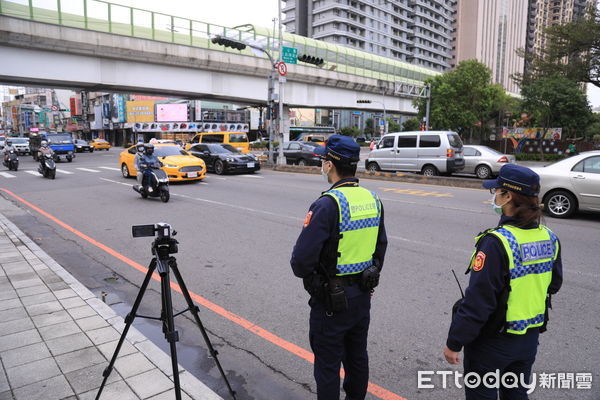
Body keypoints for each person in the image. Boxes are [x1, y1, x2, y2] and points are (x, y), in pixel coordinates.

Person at [444, 164, 563, 399]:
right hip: (528, 339)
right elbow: (554, 285)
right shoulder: (549, 237)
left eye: (496, 191)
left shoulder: (497, 242)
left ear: (508, 196)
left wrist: (454, 342)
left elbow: (479, 302)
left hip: (492, 341)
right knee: (517, 393)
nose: (494, 196)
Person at [290, 134, 388, 400]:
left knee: (328, 365)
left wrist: (316, 284)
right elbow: (380, 248)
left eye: (323, 159)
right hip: (362, 298)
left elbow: (300, 262)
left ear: (330, 165)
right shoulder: (373, 199)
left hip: (331, 301)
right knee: (357, 358)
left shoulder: (327, 204)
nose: (322, 164)